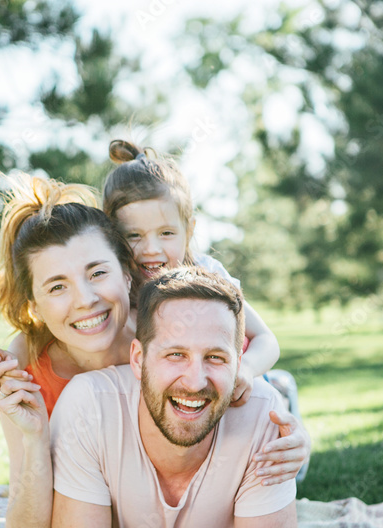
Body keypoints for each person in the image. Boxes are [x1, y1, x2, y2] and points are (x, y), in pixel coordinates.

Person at [0, 175, 309, 528]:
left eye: (97, 273)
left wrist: (291, 436)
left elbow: (240, 407)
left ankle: (282, 388)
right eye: (57, 287)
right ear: (34, 305)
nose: (85, 300)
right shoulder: (25, 378)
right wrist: (35, 439)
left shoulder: (166, 333)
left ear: (127, 272)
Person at [51, 266, 297, 528]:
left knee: (292, 441)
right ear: (138, 359)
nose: (195, 382)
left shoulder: (265, 413)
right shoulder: (88, 405)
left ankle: (288, 390)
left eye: (215, 357)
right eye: (176, 355)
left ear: (239, 363)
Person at [103, 139, 280, 406]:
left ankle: (280, 386)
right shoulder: (116, 287)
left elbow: (266, 339)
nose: (151, 249)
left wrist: (248, 368)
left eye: (166, 233)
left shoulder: (208, 274)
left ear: (189, 230)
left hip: (238, 388)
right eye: (134, 236)